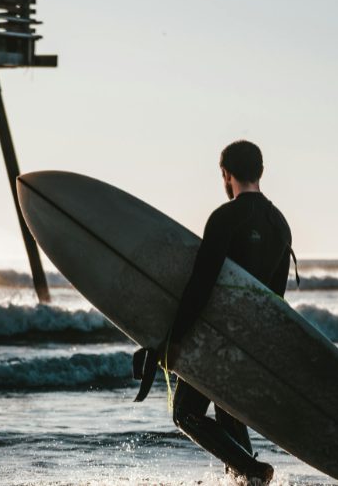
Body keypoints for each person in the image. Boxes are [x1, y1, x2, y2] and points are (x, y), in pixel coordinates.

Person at [140, 140, 293, 482]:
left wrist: (175, 338)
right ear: (261, 172)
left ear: (225, 174)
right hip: (251, 342)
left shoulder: (225, 218)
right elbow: (277, 300)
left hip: (215, 337)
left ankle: (254, 471)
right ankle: (247, 479)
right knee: (228, 413)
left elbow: (202, 283)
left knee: (185, 414)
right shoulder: (280, 224)